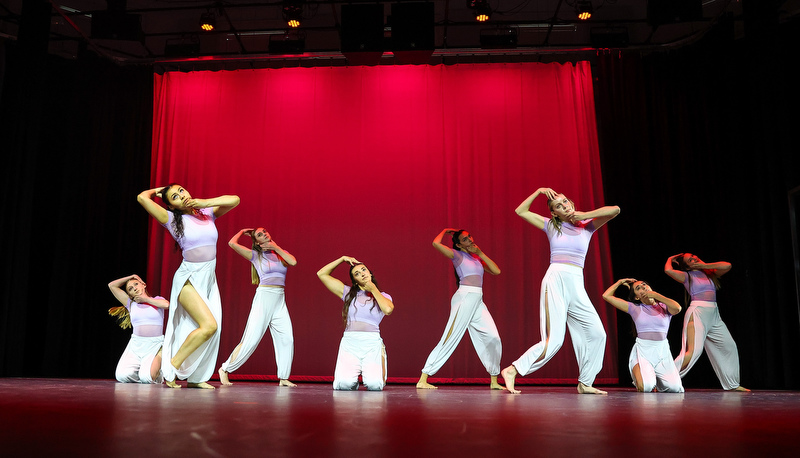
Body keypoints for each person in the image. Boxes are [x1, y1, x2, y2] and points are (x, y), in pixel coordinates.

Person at [501, 187, 619, 395]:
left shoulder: (587, 226)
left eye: (565, 202)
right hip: (556, 279)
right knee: (554, 340)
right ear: (554, 213)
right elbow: (521, 211)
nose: (564, 206)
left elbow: (615, 210)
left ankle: (585, 382)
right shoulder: (551, 226)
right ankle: (513, 370)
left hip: (577, 283)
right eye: (558, 206)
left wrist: (585, 215)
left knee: (597, 334)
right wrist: (538, 192)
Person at [138, 184, 239, 389]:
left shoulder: (206, 213)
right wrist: (159, 191)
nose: (181, 196)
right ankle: (171, 368)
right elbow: (141, 197)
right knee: (209, 326)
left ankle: (196, 378)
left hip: (208, 279)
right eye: (175, 196)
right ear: (171, 205)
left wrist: (205, 203)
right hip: (188, 280)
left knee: (207, 330)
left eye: (181, 191)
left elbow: (235, 199)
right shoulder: (171, 219)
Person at [417, 228, 504, 390]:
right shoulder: (457, 255)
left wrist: (481, 253)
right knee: (450, 337)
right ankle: (423, 378)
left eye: (470, 236)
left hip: (477, 299)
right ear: (458, 244)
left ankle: (494, 380)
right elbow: (435, 244)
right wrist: (444, 231)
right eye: (465, 239)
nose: (470, 239)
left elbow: (496, 271)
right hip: (464, 298)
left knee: (493, 337)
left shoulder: (477, 258)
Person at [218, 227, 297, 387]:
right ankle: (224, 369)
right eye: (260, 235)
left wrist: (276, 247)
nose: (265, 234)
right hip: (264, 297)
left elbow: (293, 262)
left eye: (265, 231)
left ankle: (283, 377)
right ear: (256, 242)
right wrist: (242, 231)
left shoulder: (280, 253)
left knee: (286, 338)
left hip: (279, 299)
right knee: (250, 340)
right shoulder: (256, 255)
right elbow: (232, 243)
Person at [665, 253, 749, 391]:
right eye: (689, 260)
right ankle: (663, 379)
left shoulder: (710, 273)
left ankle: (732, 384)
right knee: (693, 353)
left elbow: (727, 265)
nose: (693, 259)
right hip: (698, 312)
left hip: (714, 314)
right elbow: (668, 270)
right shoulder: (688, 277)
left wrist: (703, 265)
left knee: (729, 346)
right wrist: (670, 259)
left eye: (693, 256)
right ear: (687, 266)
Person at [317, 256, 394, 391]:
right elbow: (321, 274)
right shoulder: (348, 293)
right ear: (355, 281)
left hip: (371, 343)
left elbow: (388, 310)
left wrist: (373, 288)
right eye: (357, 274)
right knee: (343, 385)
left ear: (370, 273)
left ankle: (380, 360)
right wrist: (342, 259)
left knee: (375, 386)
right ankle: (352, 378)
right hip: (350, 343)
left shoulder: (384, 296)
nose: (362, 273)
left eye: (364, 270)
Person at [602, 278, 683, 392]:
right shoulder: (635, 308)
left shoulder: (664, 307)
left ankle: (657, 380)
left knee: (675, 388)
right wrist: (620, 282)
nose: (643, 287)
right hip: (643, 351)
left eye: (644, 285)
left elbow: (678, 308)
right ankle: (641, 375)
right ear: (637, 297)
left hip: (662, 351)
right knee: (646, 387)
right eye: (638, 288)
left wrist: (655, 295)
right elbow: (606, 296)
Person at [108, 274, 169, 384]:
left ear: (143, 285)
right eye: (130, 289)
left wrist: (145, 299)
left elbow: (166, 305)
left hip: (154, 345)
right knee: (122, 376)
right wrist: (132, 276)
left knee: (146, 378)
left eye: (136, 284)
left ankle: (156, 370)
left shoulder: (157, 300)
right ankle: (145, 371)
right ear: (130, 295)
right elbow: (112, 285)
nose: (134, 288)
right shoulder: (131, 304)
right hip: (136, 345)